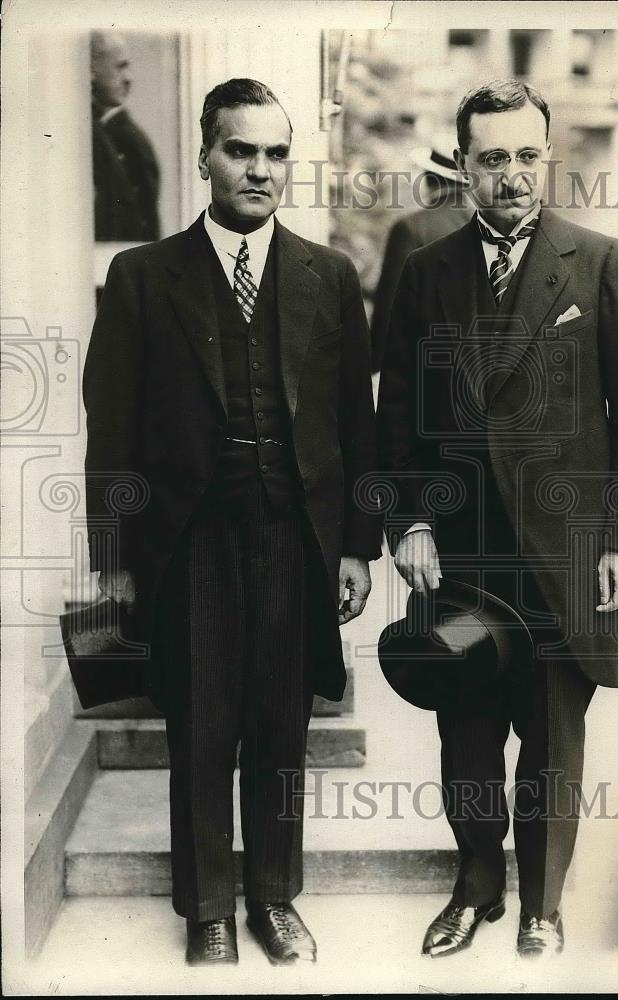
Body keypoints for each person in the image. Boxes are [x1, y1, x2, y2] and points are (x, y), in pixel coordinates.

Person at [83, 78, 381, 967]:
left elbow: (356, 429)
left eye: (275, 153)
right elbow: (114, 430)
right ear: (205, 156)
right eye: (241, 150)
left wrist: (359, 547)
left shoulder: (328, 278)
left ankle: (273, 899)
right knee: (202, 723)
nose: (259, 169)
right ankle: (208, 906)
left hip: (294, 537)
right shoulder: (141, 275)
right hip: (190, 541)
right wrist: (116, 559)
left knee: (279, 725)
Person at [377, 79, 618, 959]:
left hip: (562, 549)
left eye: (525, 156)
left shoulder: (601, 262)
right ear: (461, 165)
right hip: (460, 549)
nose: (510, 175)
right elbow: (398, 418)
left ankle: (541, 904)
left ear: (549, 158)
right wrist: (410, 524)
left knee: (549, 738)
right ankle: (474, 889)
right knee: (464, 730)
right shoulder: (425, 271)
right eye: (491, 157)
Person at [370, 135, 472, 372]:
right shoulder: (480, 227)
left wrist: (376, 367)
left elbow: (389, 310)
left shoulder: (410, 229)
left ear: (428, 180)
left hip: (421, 369)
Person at [90, 31, 161, 242]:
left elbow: (144, 224)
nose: (129, 78)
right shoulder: (87, 132)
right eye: (120, 67)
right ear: (89, 69)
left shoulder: (132, 141)